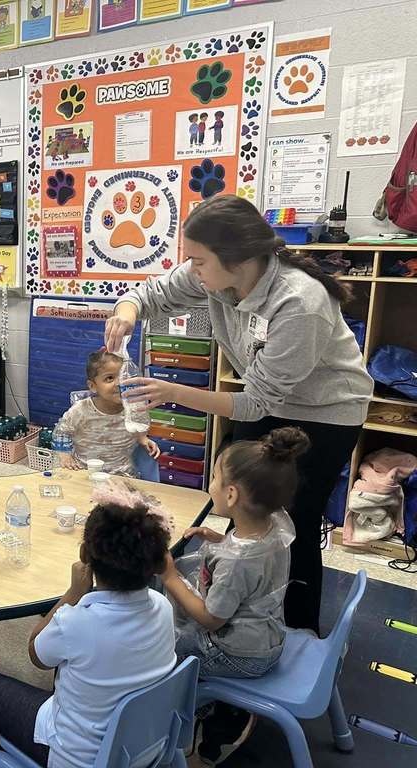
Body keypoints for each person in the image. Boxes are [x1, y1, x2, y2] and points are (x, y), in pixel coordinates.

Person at [105, 194, 373, 633]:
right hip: (267, 396)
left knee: (292, 523)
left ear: (238, 260)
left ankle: (295, 632)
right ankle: (237, 614)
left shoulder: (299, 303)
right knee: (241, 504)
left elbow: (255, 402)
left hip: (325, 413)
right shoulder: (212, 275)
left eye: (197, 261)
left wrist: (173, 391)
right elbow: (151, 293)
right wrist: (126, 313)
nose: (190, 269)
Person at [0, 486, 176, 767]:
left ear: (85, 554)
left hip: (77, 757)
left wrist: (73, 593)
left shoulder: (76, 622)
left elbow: (35, 654)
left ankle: (19, 756)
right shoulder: (163, 607)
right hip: (144, 746)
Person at [163, 428, 307, 765]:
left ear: (230, 495)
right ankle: (221, 710)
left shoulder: (237, 563)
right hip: (268, 636)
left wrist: (170, 578)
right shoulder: (277, 523)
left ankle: (218, 730)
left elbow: (211, 618)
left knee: (163, 647)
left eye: (214, 477)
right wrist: (218, 540)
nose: (210, 484)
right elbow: (253, 563)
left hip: (239, 653)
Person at [56, 349, 160, 476]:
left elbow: (138, 427)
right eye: (110, 378)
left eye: (123, 377)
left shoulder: (133, 407)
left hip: (123, 474)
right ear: (93, 386)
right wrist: (64, 454)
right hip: (85, 472)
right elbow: (61, 431)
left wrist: (143, 439)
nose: (119, 384)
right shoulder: (81, 410)